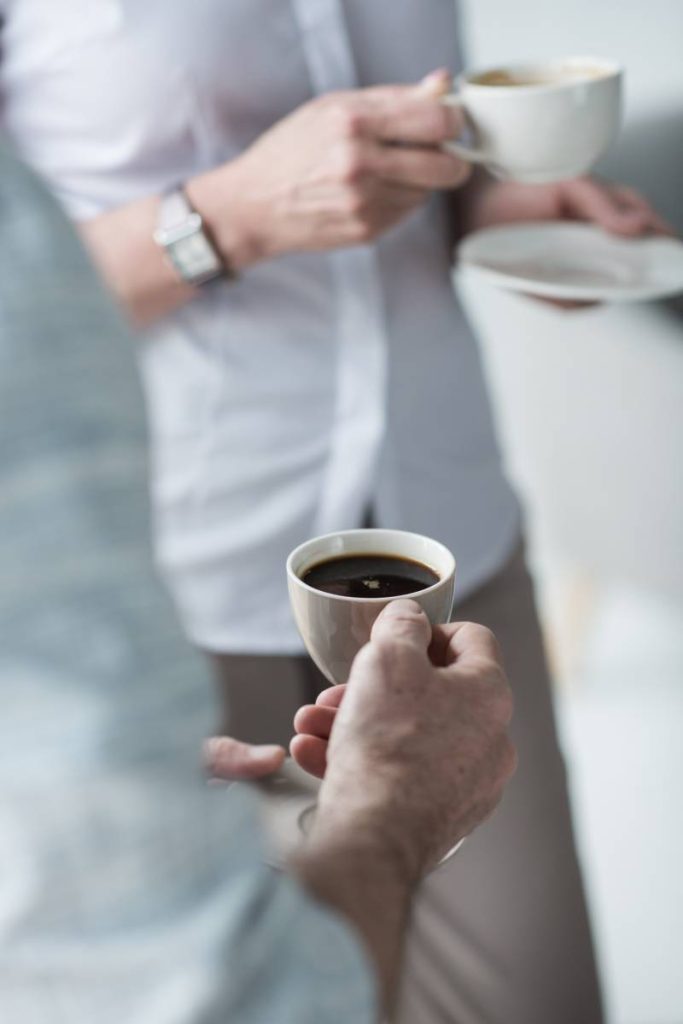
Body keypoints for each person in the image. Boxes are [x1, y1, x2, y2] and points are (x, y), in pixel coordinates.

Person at [0, 4, 671, 1021]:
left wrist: (492, 205)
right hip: (164, 595)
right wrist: (226, 218)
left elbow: (415, 162)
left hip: (447, 544)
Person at [0, 140, 516, 1022]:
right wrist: (394, 813)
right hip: (195, 579)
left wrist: (488, 202)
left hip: (458, 506)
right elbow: (236, 1001)